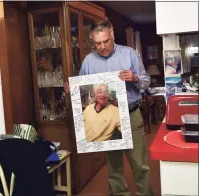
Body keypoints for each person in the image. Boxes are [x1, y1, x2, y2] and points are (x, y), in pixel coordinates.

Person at [64, 19, 153, 196]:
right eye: (97, 43)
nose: (102, 46)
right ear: (92, 41)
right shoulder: (89, 61)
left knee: (140, 165)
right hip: (105, 119)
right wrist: (72, 89)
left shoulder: (129, 54)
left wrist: (135, 78)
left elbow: (146, 80)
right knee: (114, 167)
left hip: (131, 115)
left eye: (106, 41)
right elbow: (82, 88)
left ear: (112, 35)